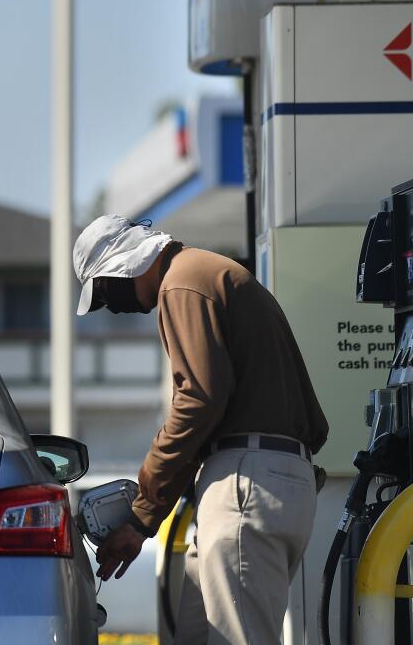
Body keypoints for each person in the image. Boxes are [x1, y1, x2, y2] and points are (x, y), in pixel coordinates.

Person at [73, 215, 328, 645]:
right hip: (272, 480)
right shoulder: (208, 272)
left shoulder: (183, 282)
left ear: (125, 265)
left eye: (103, 292)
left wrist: (141, 513)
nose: (111, 307)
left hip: (245, 485)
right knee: (194, 634)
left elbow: (198, 400)